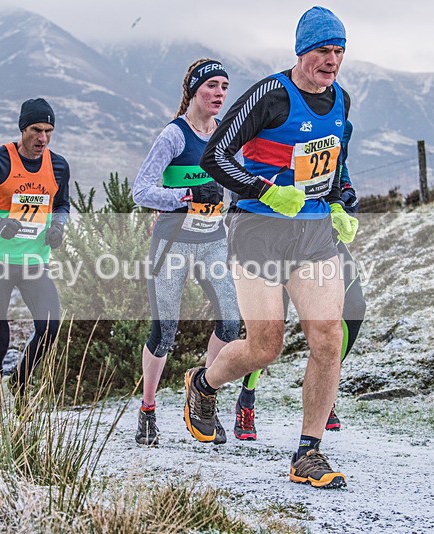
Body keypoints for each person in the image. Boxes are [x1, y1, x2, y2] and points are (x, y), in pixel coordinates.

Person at [184, 6, 358, 489]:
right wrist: (265, 191)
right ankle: (204, 383)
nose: (332, 60)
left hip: (315, 232)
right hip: (259, 229)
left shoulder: (342, 98)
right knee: (265, 346)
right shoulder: (271, 94)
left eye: (339, 51)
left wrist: (343, 202)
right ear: (302, 51)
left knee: (328, 340)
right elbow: (213, 156)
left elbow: (338, 163)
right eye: (323, 50)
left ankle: (308, 453)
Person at [233, 119, 366, 440]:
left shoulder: (340, 122)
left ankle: (325, 387)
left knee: (353, 309)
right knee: (267, 332)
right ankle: (247, 397)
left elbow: (337, 167)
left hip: (321, 231)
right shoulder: (282, 116)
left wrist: (345, 195)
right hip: (275, 231)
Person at [131, 59, 241, 446]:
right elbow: (141, 190)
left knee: (231, 323)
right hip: (173, 242)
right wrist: (185, 196)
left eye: (224, 86)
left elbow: (235, 182)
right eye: (211, 85)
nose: (219, 93)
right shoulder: (174, 136)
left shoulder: (225, 136)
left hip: (212, 241)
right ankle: (147, 409)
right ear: (194, 90)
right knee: (164, 332)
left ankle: (203, 398)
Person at [0, 97, 70, 428]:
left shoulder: (59, 165)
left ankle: (20, 381)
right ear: (23, 128)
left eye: (49, 131)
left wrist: (57, 228)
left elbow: (62, 204)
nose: (43, 138)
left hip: (35, 260)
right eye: (36, 130)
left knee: (50, 326)